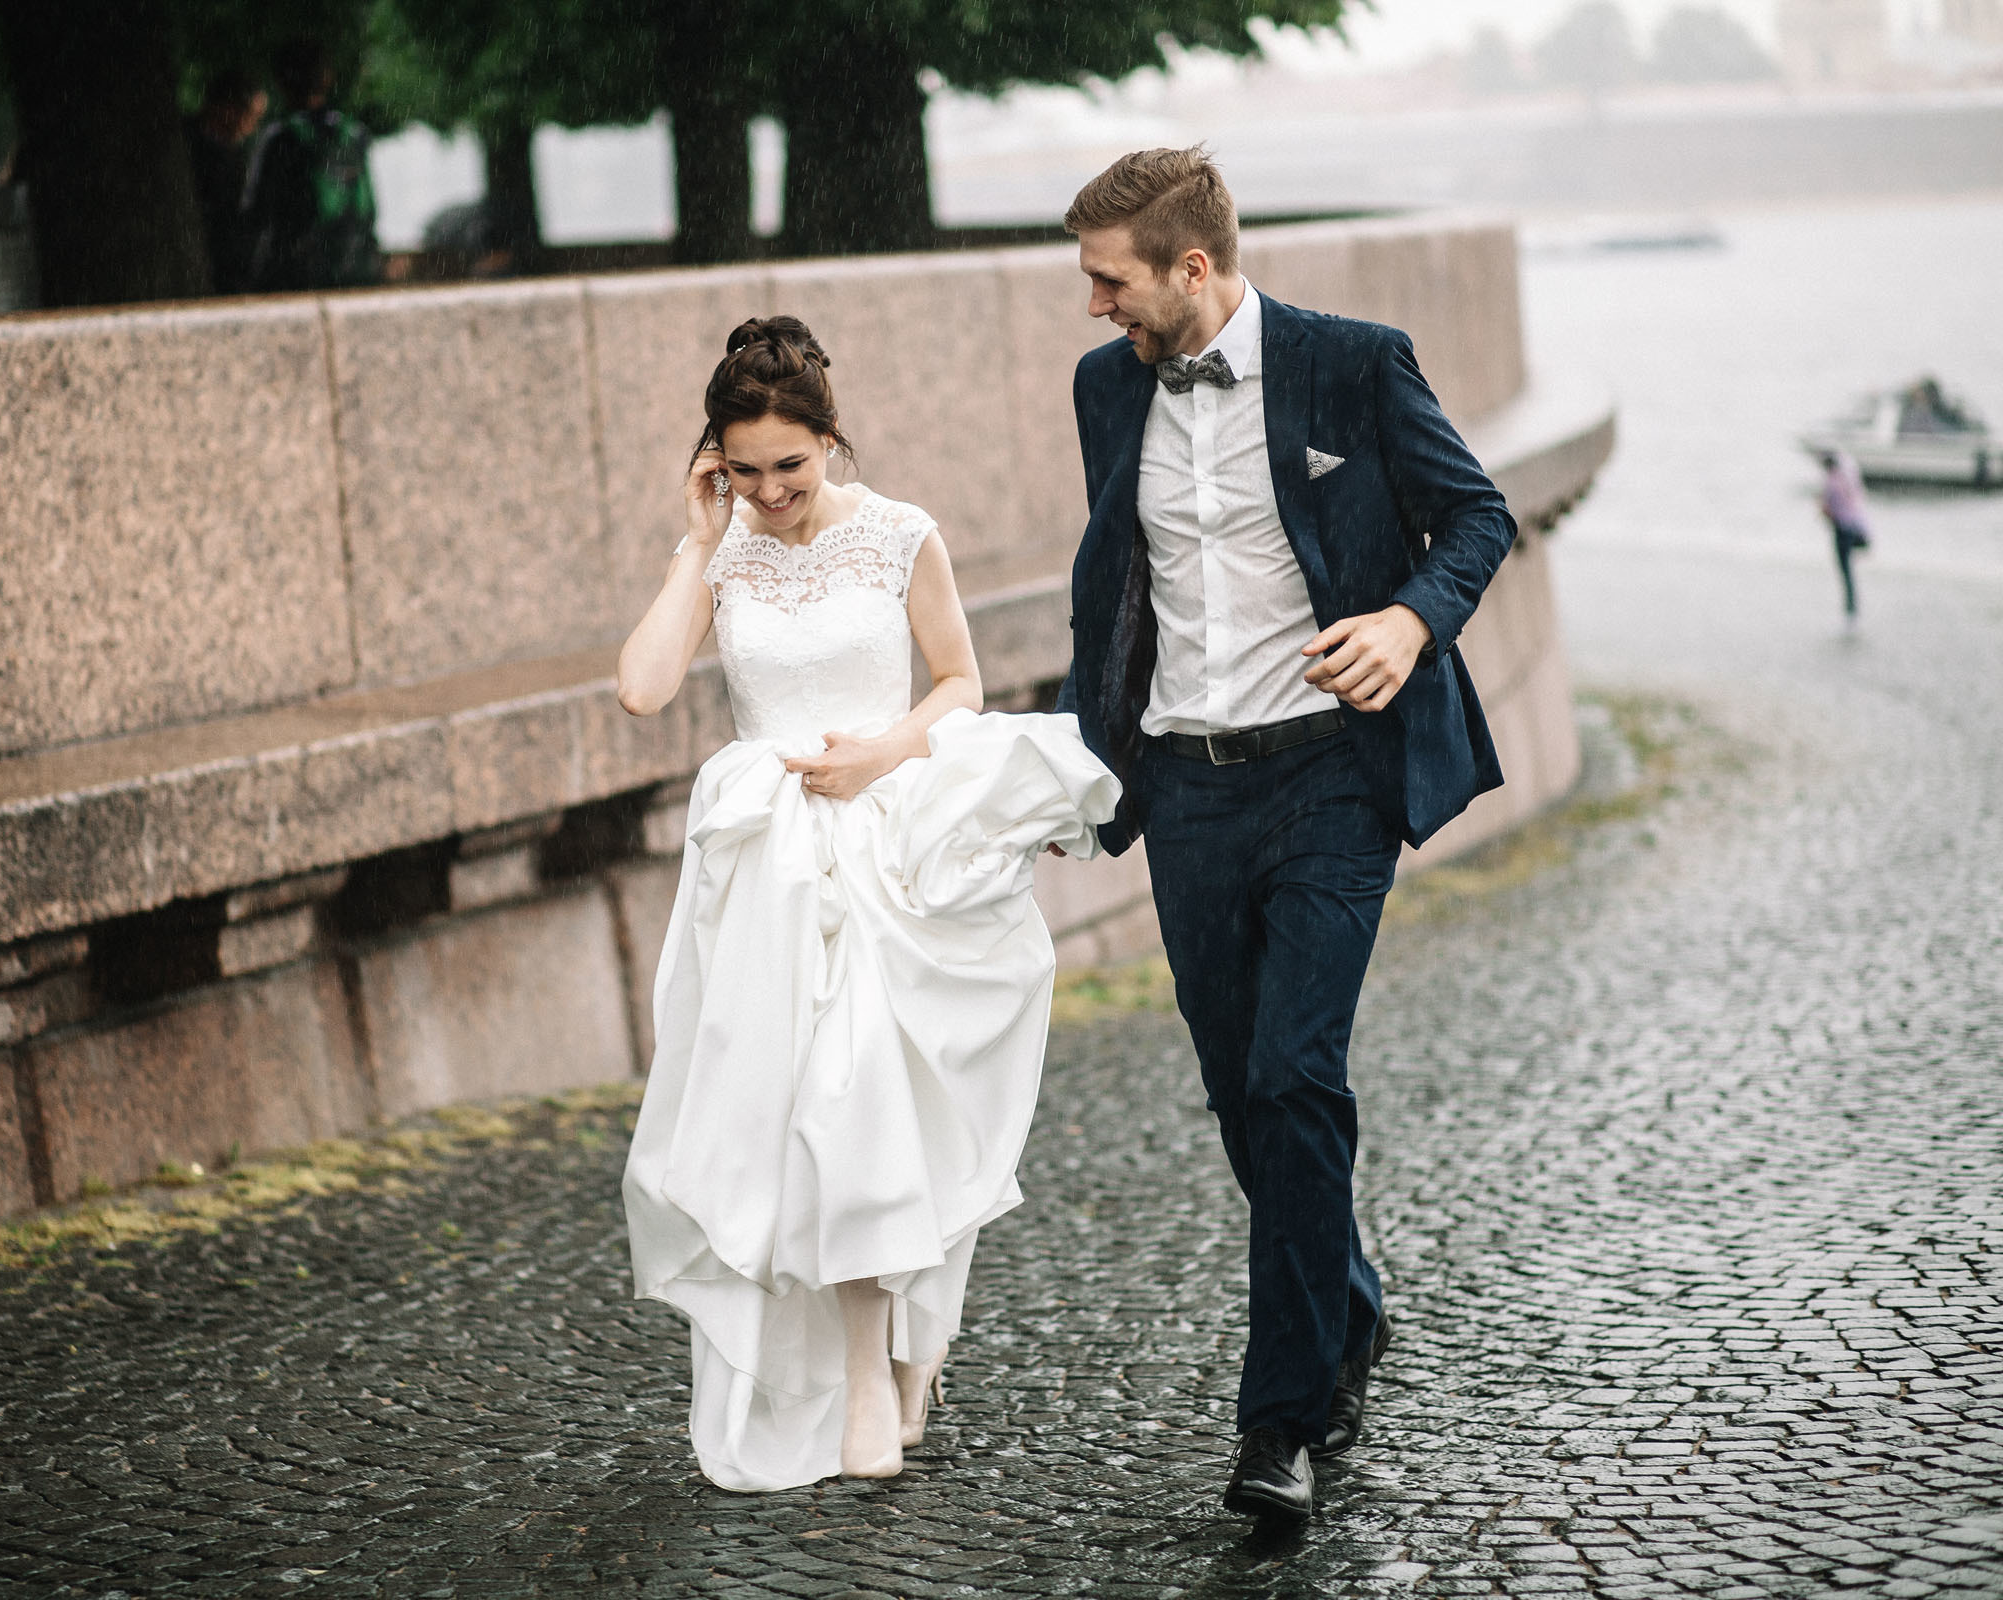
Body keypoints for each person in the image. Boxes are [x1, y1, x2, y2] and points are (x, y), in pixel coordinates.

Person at [1052, 147, 1518, 1522]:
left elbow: (1478, 515)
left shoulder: (1354, 364)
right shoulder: (1105, 388)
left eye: (1111, 281)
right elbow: (1113, 582)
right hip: (1186, 790)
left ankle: (1282, 1424)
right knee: (1239, 1091)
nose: (1095, 306)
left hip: (1330, 776)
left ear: (1192, 267)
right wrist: (1075, 758)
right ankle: (1346, 1304)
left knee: (1295, 1074)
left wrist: (1409, 620)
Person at [617, 317, 1121, 1492]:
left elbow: (959, 683)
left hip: (894, 843)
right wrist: (697, 542)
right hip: (771, 870)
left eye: (790, 465)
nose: (770, 491)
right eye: (745, 469)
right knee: (805, 1111)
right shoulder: (726, 549)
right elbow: (643, 688)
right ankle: (864, 1373)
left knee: (892, 1108)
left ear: (831, 439)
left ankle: (901, 1354)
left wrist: (883, 752)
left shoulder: (900, 534)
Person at [243, 39, 382, 292]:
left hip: (299, 273)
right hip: (357, 267)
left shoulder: (280, 138)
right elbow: (368, 207)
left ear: (281, 83)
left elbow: (256, 212)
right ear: (327, 79)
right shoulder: (354, 133)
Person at [186, 68, 268, 294]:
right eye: (251, 116)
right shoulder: (185, 146)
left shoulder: (238, 154)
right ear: (227, 109)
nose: (253, 127)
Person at [1818, 448, 1872, 621]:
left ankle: (1850, 608)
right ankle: (1852, 606)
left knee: (1844, 570)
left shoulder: (1831, 483)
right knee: (1849, 570)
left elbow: (1826, 510)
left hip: (1841, 529)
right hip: (1853, 527)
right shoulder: (1846, 479)